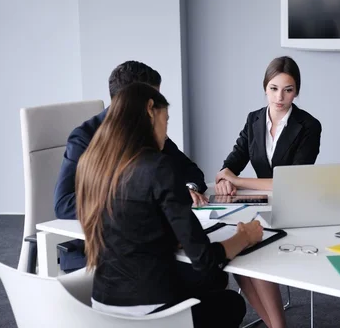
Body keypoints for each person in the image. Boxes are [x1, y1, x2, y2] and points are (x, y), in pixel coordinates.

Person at [76, 83, 263, 328]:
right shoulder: (158, 167)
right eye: (166, 120)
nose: (166, 131)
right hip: (154, 313)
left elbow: (125, 222)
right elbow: (203, 258)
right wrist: (245, 236)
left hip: (102, 307)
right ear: (150, 111)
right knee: (230, 302)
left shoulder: (91, 164)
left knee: (208, 283)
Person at [54, 61, 208, 271]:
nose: (157, 109)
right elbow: (64, 203)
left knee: (207, 269)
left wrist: (189, 188)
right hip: (97, 249)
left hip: (145, 244)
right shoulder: (85, 138)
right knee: (204, 271)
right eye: (153, 101)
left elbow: (191, 171)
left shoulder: (150, 130)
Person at [215, 56, 322, 328]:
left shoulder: (309, 126)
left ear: (296, 91)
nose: (280, 97)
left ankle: (278, 326)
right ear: (265, 87)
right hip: (260, 204)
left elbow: (291, 181)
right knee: (237, 253)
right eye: (274, 88)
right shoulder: (254, 120)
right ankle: (274, 323)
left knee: (256, 253)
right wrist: (225, 177)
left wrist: (237, 181)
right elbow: (231, 162)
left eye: (288, 89)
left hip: (295, 205)